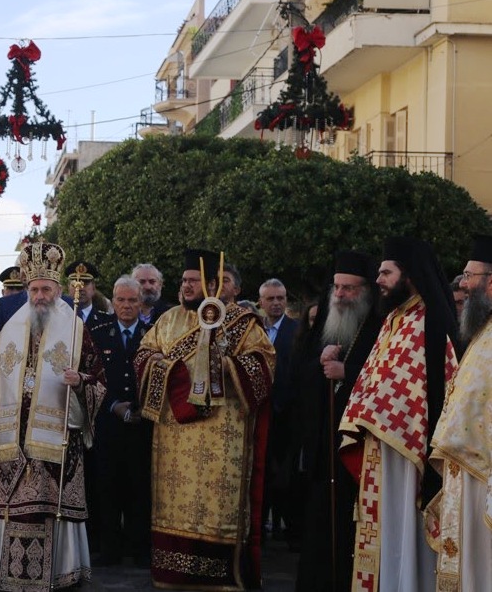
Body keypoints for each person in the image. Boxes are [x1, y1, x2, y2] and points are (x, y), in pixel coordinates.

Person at [134, 248, 275, 591]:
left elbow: (264, 365)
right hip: (173, 441)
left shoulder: (241, 322)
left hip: (222, 443)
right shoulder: (167, 321)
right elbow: (142, 357)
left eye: (193, 281)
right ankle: (172, 576)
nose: (185, 286)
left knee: (216, 512)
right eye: (183, 280)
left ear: (212, 284)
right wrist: (174, 372)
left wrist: (222, 366)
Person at [0, 242, 106, 591]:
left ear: (58, 290)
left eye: (46, 289)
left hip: (59, 443)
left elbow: (98, 381)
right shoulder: (9, 332)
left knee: (52, 509)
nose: (39, 296)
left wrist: (79, 382)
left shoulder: (76, 329)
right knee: (15, 509)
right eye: (33, 289)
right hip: (13, 444)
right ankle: (10, 573)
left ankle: (59, 574)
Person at [339, 237, 459, 592]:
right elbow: (372, 378)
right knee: (385, 527)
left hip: (410, 451)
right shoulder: (394, 318)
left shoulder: (429, 321)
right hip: (382, 445)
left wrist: (374, 415)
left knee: (405, 526)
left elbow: (432, 386)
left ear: (408, 275)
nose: (379, 279)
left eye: (386, 272)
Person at [292, 251, 382, 591]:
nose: (341, 295)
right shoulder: (326, 324)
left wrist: (348, 372)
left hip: (357, 451)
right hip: (322, 452)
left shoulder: (377, 326)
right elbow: (301, 376)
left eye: (350, 288)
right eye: (338, 287)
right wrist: (320, 365)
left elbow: (385, 379)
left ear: (365, 292)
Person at [426, 234, 492, 590]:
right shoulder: (482, 332)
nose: (463, 284)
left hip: (485, 479)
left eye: (470, 276)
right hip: (464, 474)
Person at [88, 276, 151, 567]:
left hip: (143, 425)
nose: (127, 306)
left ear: (141, 303)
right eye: (121, 300)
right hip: (107, 423)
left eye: (132, 301)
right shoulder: (97, 332)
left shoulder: (153, 334)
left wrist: (141, 408)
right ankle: (110, 548)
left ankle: (139, 548)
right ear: (113, 302)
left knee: (140, 486)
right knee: (107, 486)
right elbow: (89, 374)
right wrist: (113, 405)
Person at [257, 278, 298, 541]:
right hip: (260, 414)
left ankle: (290, 529)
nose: (276, 303)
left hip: (288, 416)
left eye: (280, 298)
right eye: (270, 299)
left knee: (286, 474)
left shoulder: (298, 330)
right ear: (260, 301)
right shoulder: (253, 331)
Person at [65, 260, 108, 328]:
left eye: (85, 283)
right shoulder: (60, 318)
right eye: (74, 283)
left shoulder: (106, 321)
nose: (80, 288)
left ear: (93, 287)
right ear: (68, 286)